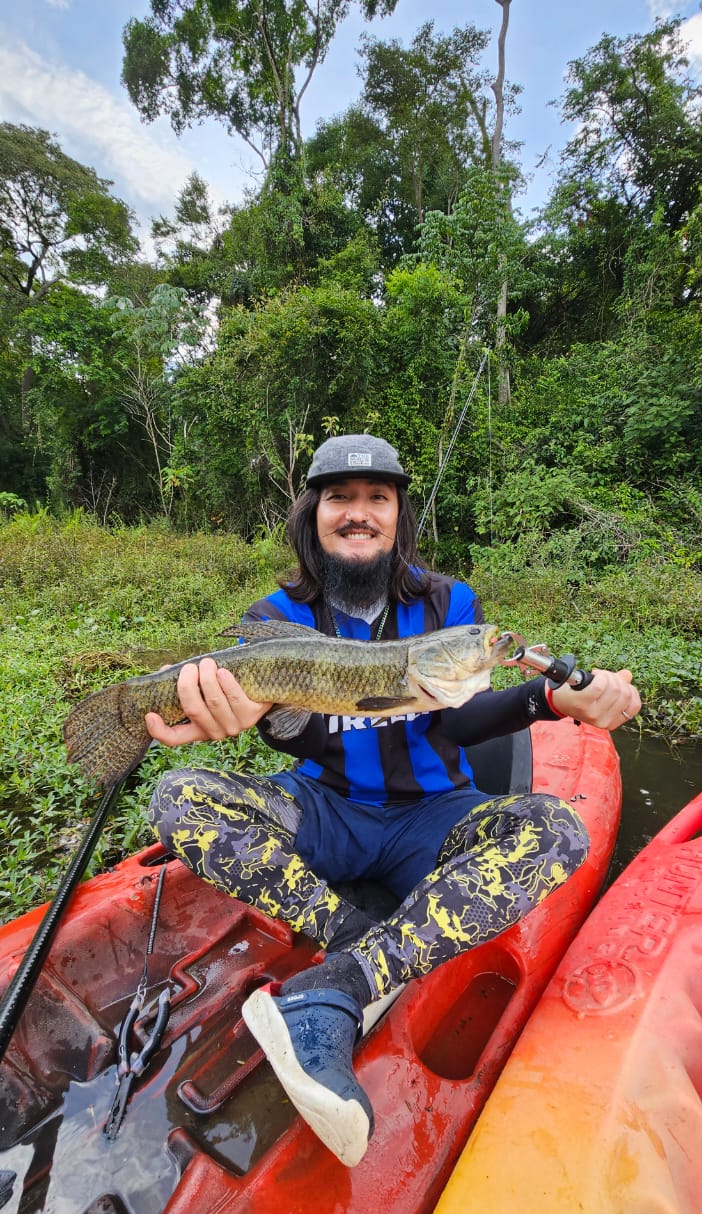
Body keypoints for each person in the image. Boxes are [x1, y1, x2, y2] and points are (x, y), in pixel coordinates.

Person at [147, 434, 641, 1167]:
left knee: (555, 831)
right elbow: (299, 737)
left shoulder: (449, 603)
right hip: (330, 809)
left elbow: (460, 718)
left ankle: (346, 981)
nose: (359, 512)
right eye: (340, 497)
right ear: (313, 513)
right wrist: (239, 718)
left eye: (377, 497)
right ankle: (351, 934)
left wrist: (549, 698)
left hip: (431, 816)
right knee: (179, 794)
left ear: (398, 513)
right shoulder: (276, 616)